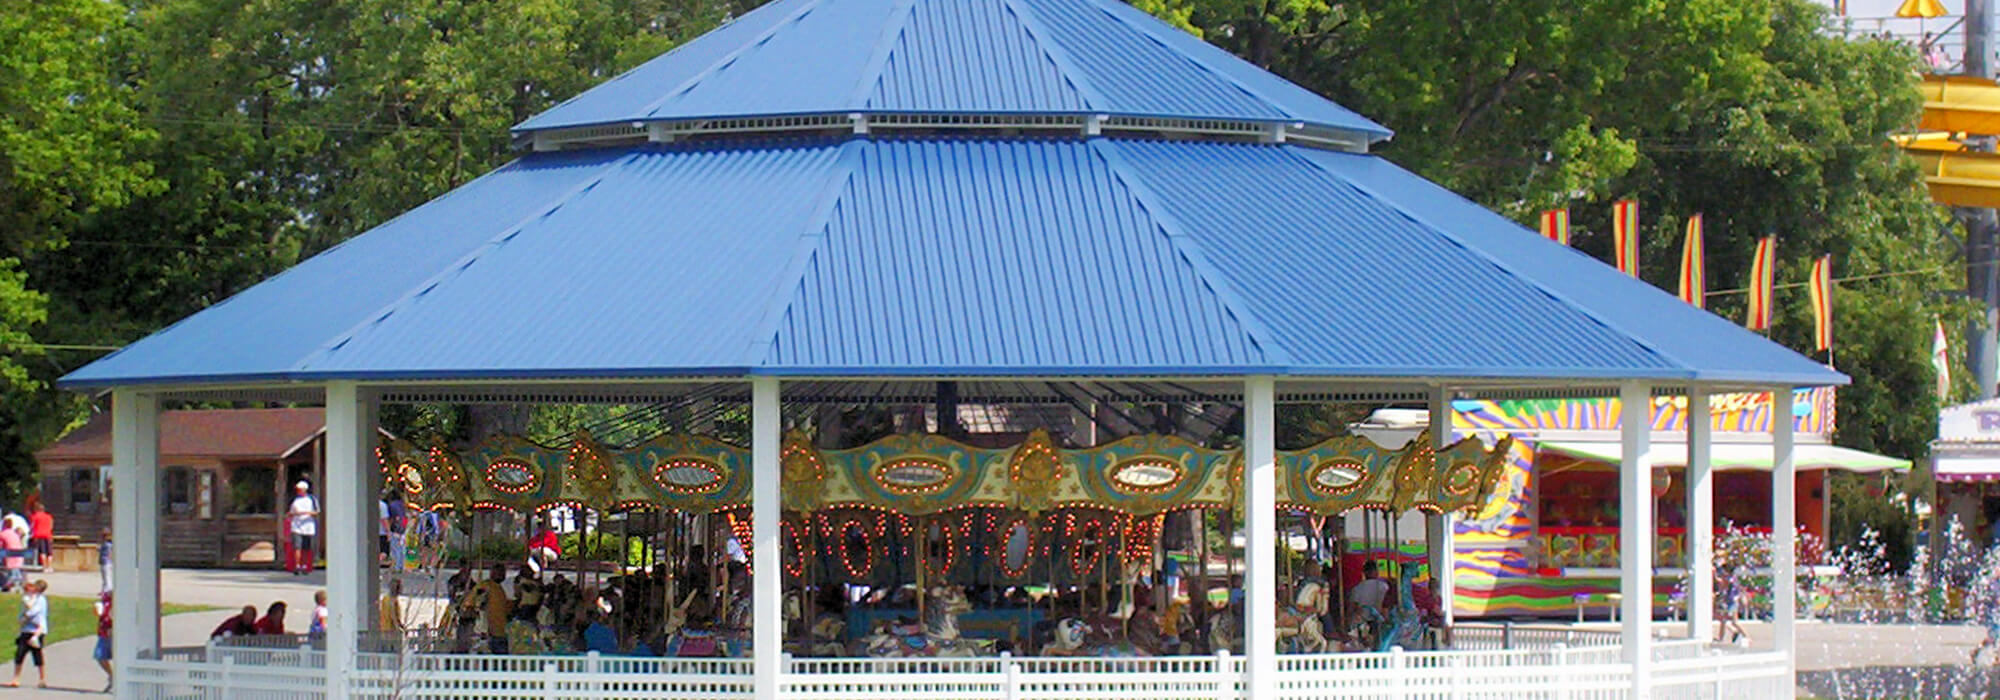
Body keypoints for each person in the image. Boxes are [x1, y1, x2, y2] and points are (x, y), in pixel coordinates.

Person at [6, 580, 45, 688]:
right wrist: (21, 619)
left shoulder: (40, 600)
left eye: (32, 588)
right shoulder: (26, 598)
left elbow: (34, 611)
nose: (30, 591)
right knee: (19, 654)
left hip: (37, 630)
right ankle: (16, 678)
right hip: (25, 630)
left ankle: (42, 679)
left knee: (37, 654)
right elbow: (22, 612)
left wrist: (25, 616)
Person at [287, 481, 319, 575]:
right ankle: (297, 566)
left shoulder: (312, 499)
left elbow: (316, 512)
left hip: (308, 526)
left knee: (306, 547)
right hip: (296, 526)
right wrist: (293, 514)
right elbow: (289, 513)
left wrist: (305, 513)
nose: (298, 491)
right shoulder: (294, 500)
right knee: (297, 547)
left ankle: (305, 565)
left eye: (300, 489)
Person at [385, 491, 408, 571]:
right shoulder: (402, 505)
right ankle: (401, 565)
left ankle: (397, 566)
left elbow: (390, 518)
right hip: (402, 527)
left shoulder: (391, 505)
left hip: (395, 528)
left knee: (395, 548)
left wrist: (389, 528)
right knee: (401, 548)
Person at [94, 590, 112, 692]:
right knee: (99, 656)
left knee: (119, 659)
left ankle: (119, 679)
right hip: (103, 632)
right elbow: (100, 615)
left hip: (112, 634)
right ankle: (112, 675)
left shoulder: (116, 604)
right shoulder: (104, 603)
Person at [0, 522, 25, 592]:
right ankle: (16, 584)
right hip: (19, 552)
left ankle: (10, 585)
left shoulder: (3, 533)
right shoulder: (14, 533)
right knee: (16, 569)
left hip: (11, 553)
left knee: (12, 571)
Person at [26, 504, 51, 570]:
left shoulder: (35, 516)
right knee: (49, 552)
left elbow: (32, 526)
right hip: (48, 535)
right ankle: (49, 566)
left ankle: (44, 567)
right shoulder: (48, 516)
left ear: (36, 509)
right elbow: (51, 526)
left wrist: (31, 533)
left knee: (42, 552)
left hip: (39, 535)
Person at [98, 528, 113, 593]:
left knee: (107, 577)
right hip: (103, 562)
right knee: (104, 578)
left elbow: (109, 553)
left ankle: (108, 590)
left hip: (107, 562)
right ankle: (104, 590)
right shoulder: (104, 543)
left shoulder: (109, 544)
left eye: (105, 535)